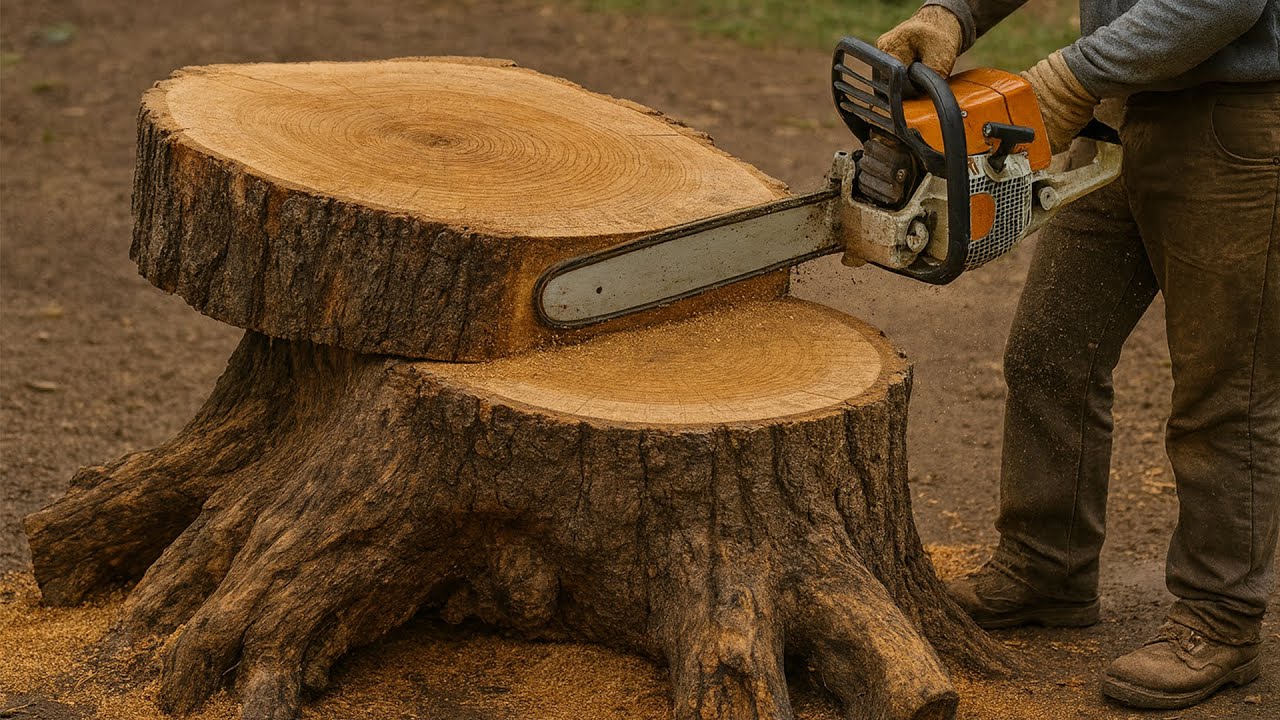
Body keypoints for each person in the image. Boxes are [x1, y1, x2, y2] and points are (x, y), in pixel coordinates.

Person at [875, 0, 1280, 710]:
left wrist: (1069, 75)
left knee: (1227, 387)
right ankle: (1046, 566)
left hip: (1237, 122)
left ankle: (1220, 617)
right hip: (1119, 109)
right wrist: (956, 14)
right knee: (1050, 351)